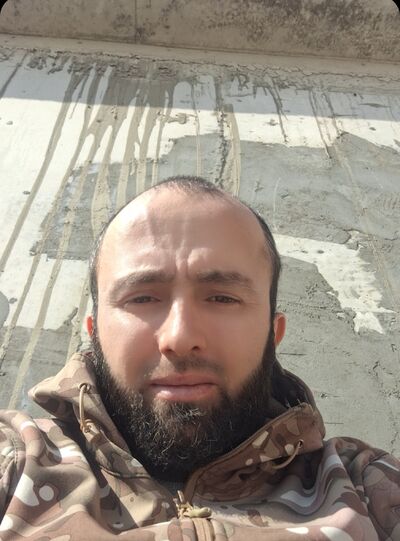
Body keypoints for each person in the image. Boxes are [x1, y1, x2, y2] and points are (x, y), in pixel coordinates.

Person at [0, 176, 399, 540]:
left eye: (222, 298)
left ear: (273, 333)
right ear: (94, 332)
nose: (180, 337)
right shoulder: (15, 466)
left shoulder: (371, 492)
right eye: (142, 297)